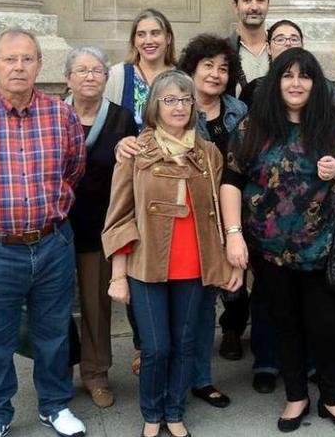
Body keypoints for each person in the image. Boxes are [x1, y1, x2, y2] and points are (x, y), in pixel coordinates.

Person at [0, 28, 87, 437]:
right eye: (10, 59)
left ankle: (54, 405)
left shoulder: (62, 115)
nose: (19, 67)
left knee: (54, 332)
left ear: (40, 65)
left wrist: (47, 212)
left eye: (27, 58)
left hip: (53, 243)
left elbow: (73, 170)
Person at [221, 48, 335, 433]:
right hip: (268, 251)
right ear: (276, 82)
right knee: (284, 322)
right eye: (288, 76)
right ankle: (296, 396)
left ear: (316, 83)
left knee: (326, 324)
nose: (296, 83)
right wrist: (233, 235)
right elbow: (231, 181)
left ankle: (332, 399)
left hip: (325, 248)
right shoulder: (253, 127)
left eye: (305, 76)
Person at [103, 70, 242, 437]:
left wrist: (230, 257)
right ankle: (152, 413)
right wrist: (118, 276)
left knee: (185, 345)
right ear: (154, 107)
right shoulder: (135, 151)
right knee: (156, 348)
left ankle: (175, 411)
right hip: (147, 265)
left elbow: (218, 207)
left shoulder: (208, 153)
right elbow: (120, 217)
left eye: (185, 99)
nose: (179, 107)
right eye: (170, 100)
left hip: (195, 264)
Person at [176, 33, 248, 408]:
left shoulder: (239, 111)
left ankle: (201, 379)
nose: (216, 74)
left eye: (223, 68)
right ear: (191, 68)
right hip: (188, 218)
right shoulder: (175, 106)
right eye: (208, 66)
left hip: (231, 217)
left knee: (215, 302)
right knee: (190, 304)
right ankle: (181, 379)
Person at [64, 46, 138, 408]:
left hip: (100, 227)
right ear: (68, 79)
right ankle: (58, 371)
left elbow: (135, 170)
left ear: (106, 78)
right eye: (81, 70)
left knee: (96, 305)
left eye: (97, 70)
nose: (90, 76)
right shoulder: (50, 115)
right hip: (55, 228)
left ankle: (96, 373)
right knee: (53, 305)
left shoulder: (122, 119)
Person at [104, 8, 176, 132]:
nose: (148, 41)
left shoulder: (182, 76)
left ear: (168, 38)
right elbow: (106, 127)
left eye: (155, 33)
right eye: (141, 35)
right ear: (134, 41)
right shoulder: (117, 76)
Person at [225, 0, 272, 97]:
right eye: (247, 0)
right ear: (236, 7)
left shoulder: (281, 47)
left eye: (260, 0)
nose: (254, 7)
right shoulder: (223, 51)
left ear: (268, 5)